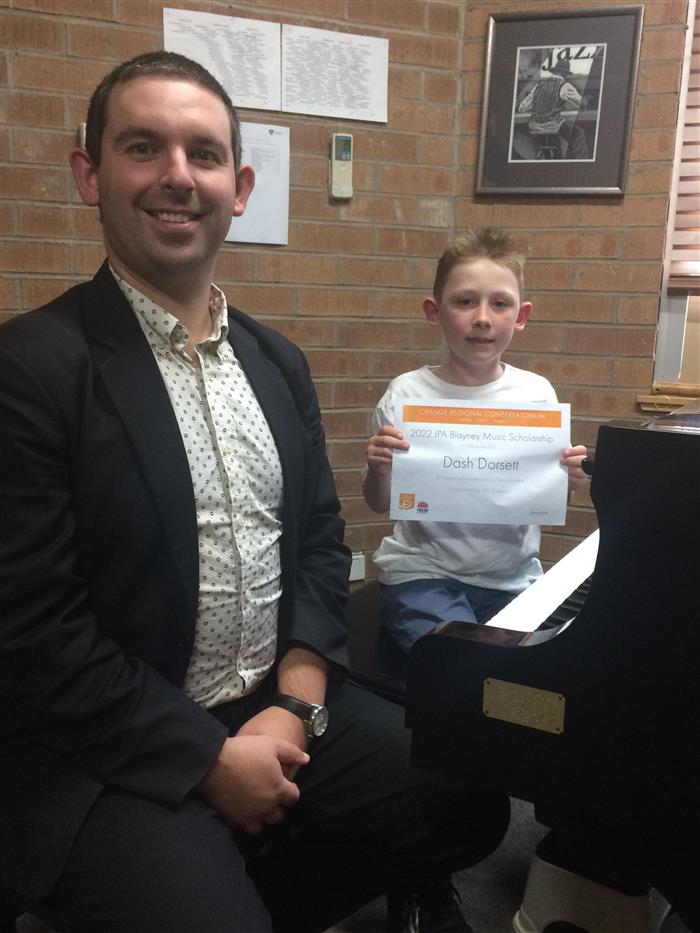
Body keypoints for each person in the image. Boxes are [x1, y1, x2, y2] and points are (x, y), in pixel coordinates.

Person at [0, 53, 510, 933]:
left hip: (276, 706)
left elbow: (318, 544)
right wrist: (210, 760)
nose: (176, 177)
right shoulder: (33, 368)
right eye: (141, 148)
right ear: (91, 173)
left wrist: (295, 705)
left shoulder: (278, 362)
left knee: (470, 800)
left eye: (203, 154)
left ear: (237, 186)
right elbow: (36, 632)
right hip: (115, 747)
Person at [363, 228, 589, 655]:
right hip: (422, 574)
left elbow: (545, 493)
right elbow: (379, 501)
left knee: (529, 674)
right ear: (435, 311)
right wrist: (379, 470)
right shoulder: (407, 394)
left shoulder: (536, 395)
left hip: (514, 579)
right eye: (465, 301)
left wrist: (567, 479)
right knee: (461, 665)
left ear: (520, 316)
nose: (482, 317)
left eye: (499, 303)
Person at [516, 60, 589, 159]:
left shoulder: (539, 85)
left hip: (535, 126)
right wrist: (585, 101)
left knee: (555, 138)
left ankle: (555, 158)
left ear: (554, 72)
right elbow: (581, 103)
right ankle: (580, 161)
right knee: (578, 133)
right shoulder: (564, 86)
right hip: (552, 125)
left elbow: (522, 108)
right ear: (565, 73)